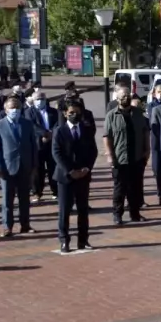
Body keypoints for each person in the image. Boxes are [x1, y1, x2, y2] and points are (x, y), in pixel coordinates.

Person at [0, 94, 39, 237]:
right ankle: (7, 226)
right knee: (7, 200)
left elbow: (33, 146)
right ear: (6, 110)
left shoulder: (27, 124)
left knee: (24, 198)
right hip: (7, 168)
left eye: (17, 108)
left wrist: (34, 165)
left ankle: (25, 224)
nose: (15, 111)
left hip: (25, 166)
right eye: (12, 108)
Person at [52, 98, 97, 253]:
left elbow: (93, 151)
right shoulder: (59, 130)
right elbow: (57, 153)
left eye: (77, 112)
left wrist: (86, 169)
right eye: (71, 112)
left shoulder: (86, 129)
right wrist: (70, 171)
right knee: (64, 210)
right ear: (65, 113)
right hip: (65, 177)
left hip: (83, 176)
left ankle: (83, 240)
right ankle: (64, 240)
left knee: (83, 210)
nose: (75, 115)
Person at [103, 86, 149, 225]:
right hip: (119, 158)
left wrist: (147, 150)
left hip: (136, 156)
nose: (126, 98)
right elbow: (107, 137)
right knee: (120, 188)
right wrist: (110, 155)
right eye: (123, 96)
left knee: (135, 187)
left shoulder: (138, 113)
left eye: (128, 95)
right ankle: (117, 214)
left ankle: (135, 213)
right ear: (117, 99)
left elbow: (145, 132)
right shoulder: (111, 115)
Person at [26, 89, 59, 202]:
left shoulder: (53, 111)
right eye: (37, 99)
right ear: (33, 101)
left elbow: (57, 124)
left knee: (53, 168)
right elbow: (32, 125)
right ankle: (37, 192)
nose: (40, 101)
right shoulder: (29, 112)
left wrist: (51, 134)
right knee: (37, 170)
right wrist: (44, 133)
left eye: (42, 99)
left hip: (51, 143)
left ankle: (55, 191)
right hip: (37, 145)